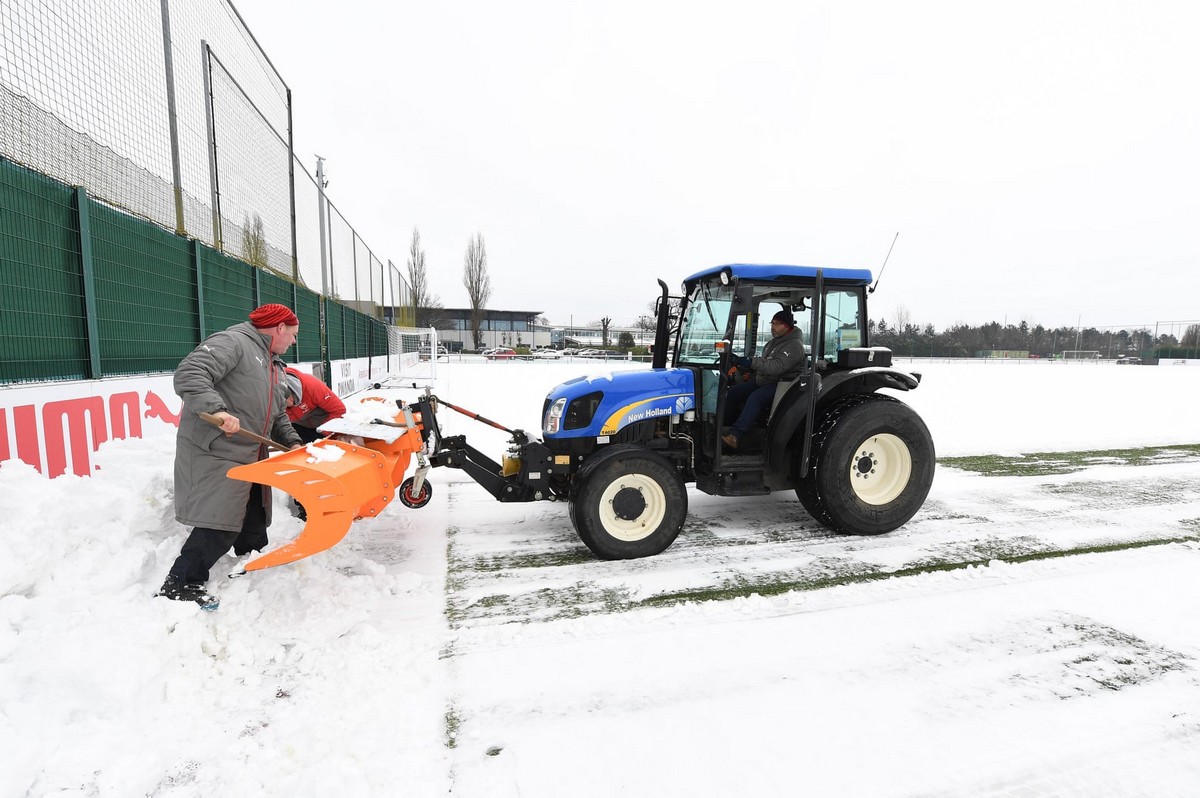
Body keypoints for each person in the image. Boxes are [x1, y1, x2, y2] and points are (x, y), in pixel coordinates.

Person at [158, 303, 304, 606]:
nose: (293, 341)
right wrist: (217, 410)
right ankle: (180, 583)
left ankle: (246, 569)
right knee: (219, 521)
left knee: (254, 520)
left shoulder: (271, 364)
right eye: (292, 334)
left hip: (249, 452)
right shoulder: (233, 343)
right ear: (279, 328)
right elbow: (190, 373)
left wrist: (291, 442)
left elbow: (277, 415)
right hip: (217, 448)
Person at [721, 309, 806, 450]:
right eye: (772, 323)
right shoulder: (772, 343)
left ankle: (735, 436)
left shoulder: (794, 345)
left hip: (782, 384)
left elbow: (776, 367)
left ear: (788, 326)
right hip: (764, 380)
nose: (773, 327)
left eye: (778, 324)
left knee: (756, 397)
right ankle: (724, 426)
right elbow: (764, 363)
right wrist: (744, 367)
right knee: (734, 392)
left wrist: (750, 362)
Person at [282, 366, 346, 443]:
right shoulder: (270, 394)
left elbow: (339, 410)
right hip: (298, 426)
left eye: (295, 401)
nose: (291, 404)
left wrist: (324, 433)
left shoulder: (313, 386)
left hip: (324, 426)